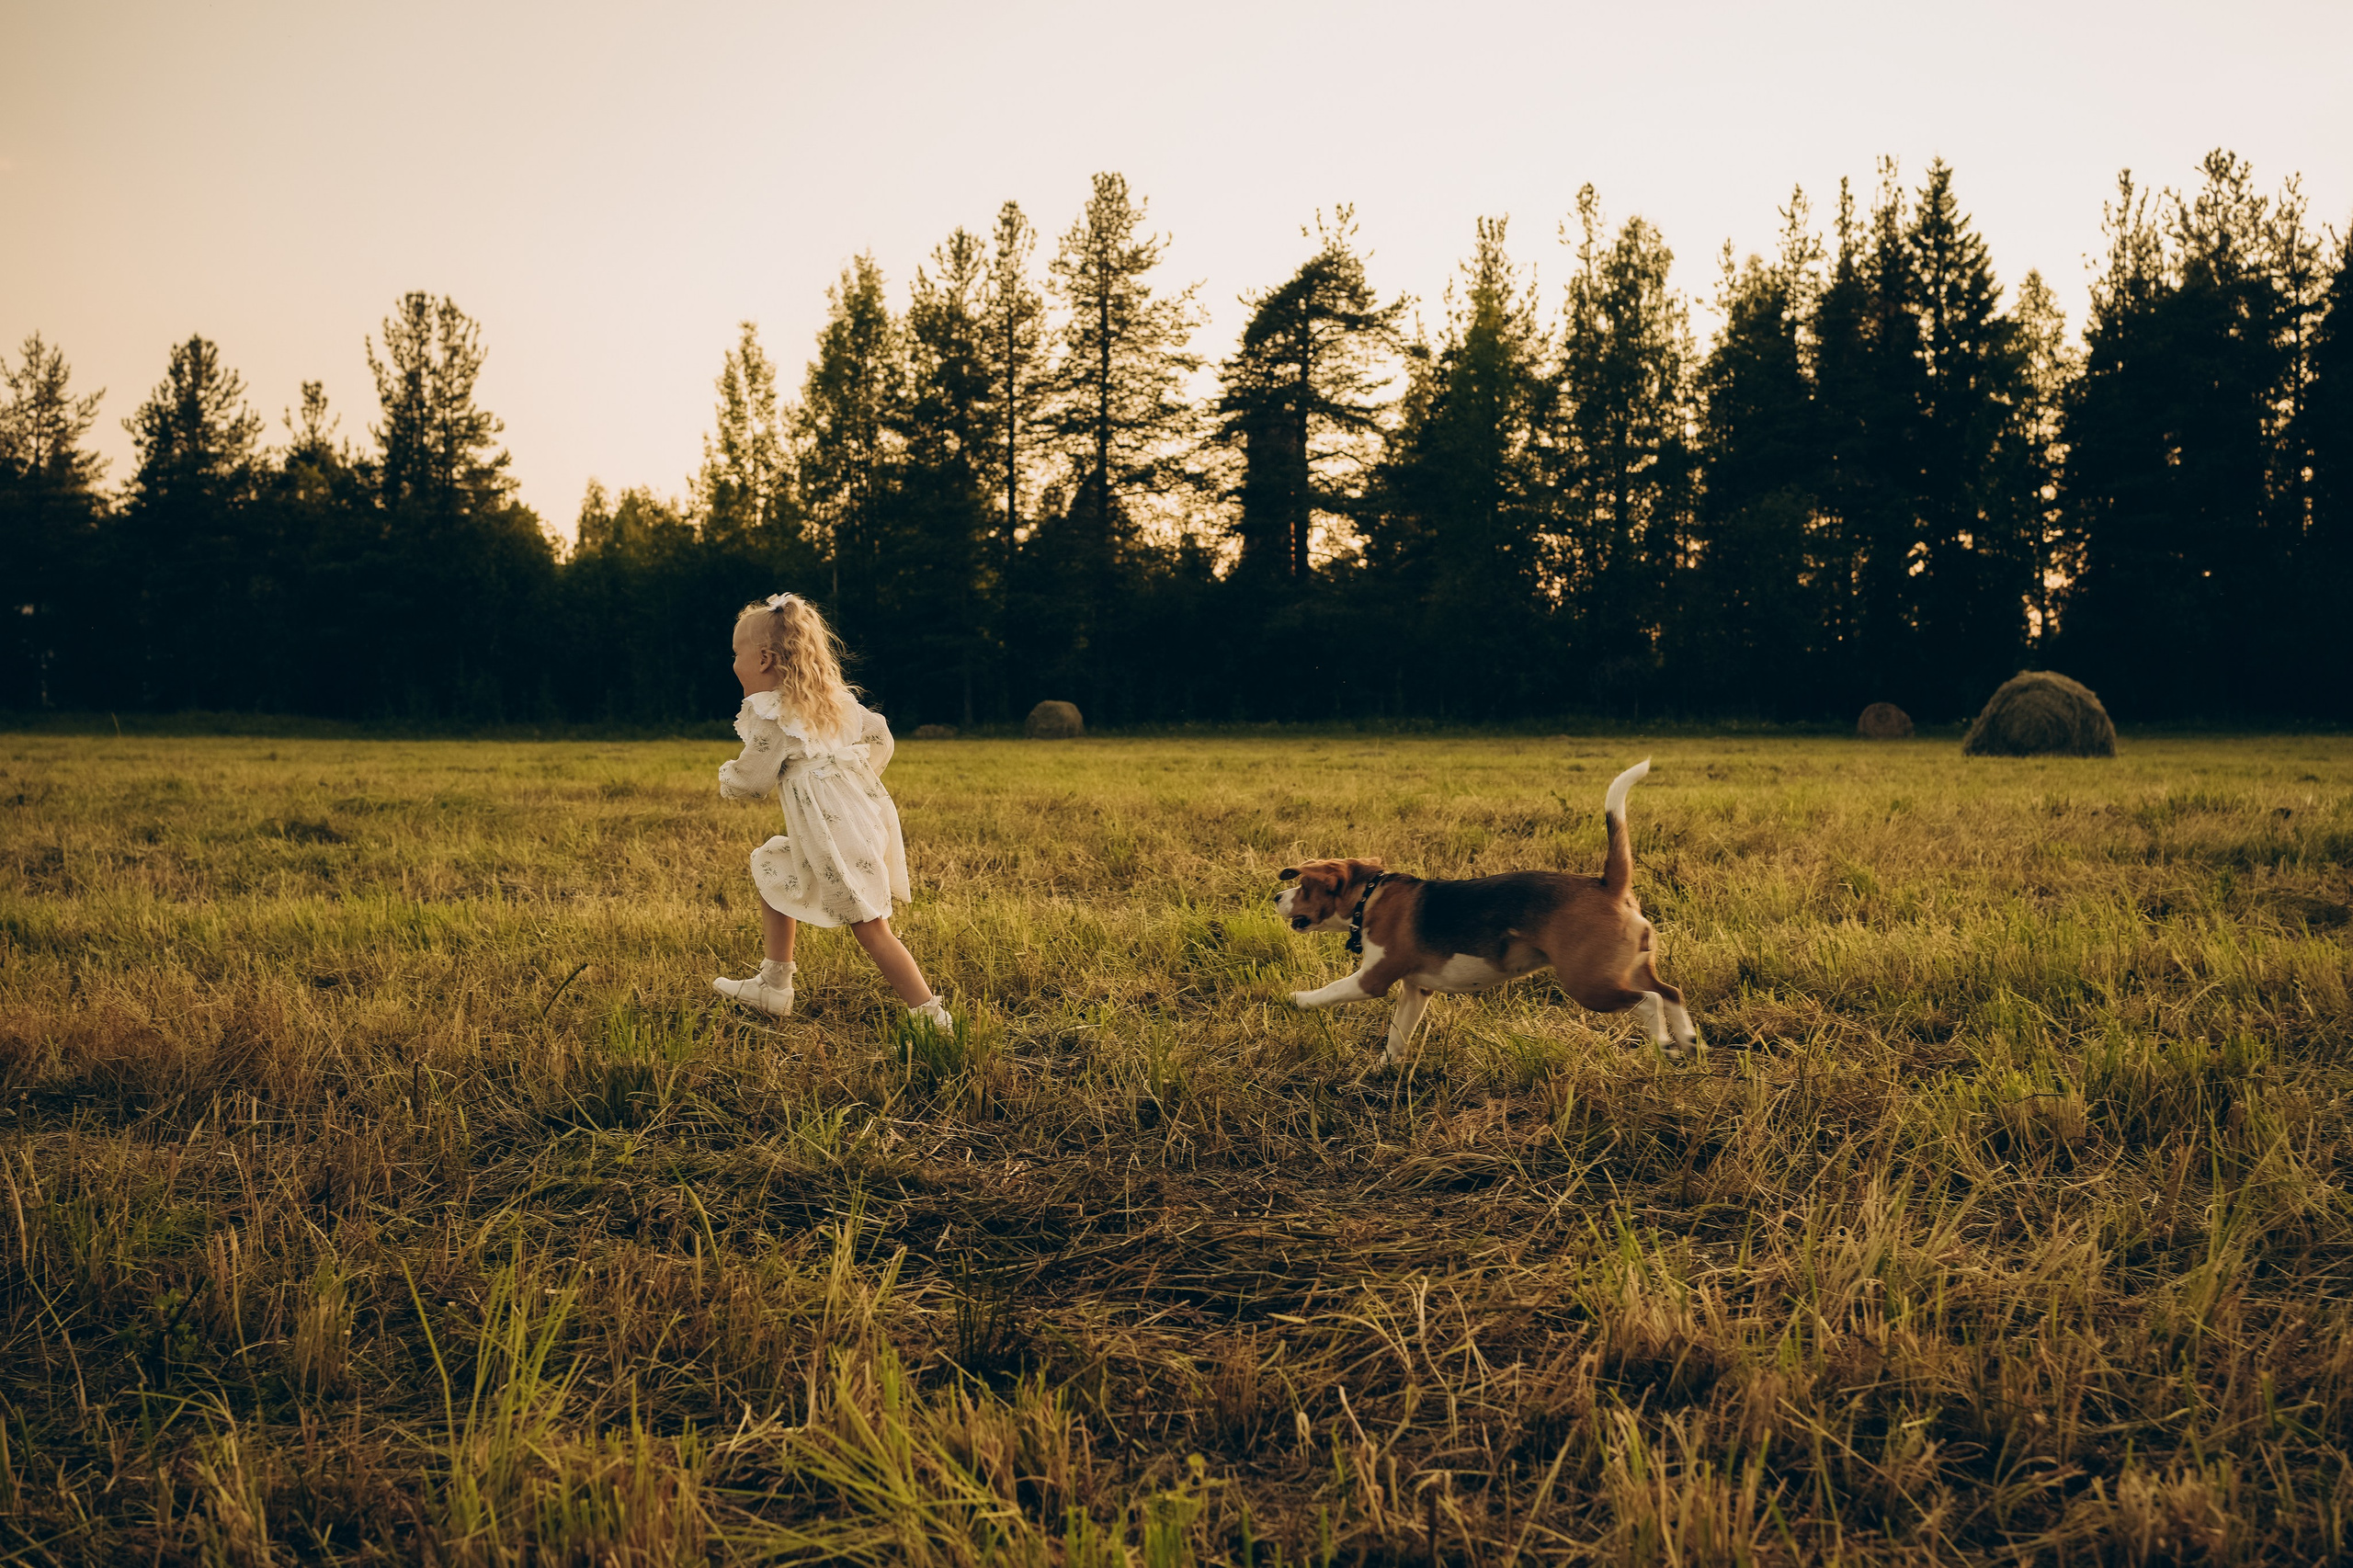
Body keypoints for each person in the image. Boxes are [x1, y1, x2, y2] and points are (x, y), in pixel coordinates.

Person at [711, 593, 950, 1029]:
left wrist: (727, 777)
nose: (733, 664)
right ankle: (774, 984)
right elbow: (880, 736)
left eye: (736, 654)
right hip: (861, 821)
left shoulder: (772, 714)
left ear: (763, 658)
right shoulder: (834, 704)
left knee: (871, 928)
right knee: (776, 867)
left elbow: (752, 780)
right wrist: (854, 777)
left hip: (834, 836)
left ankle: (931, 1017)